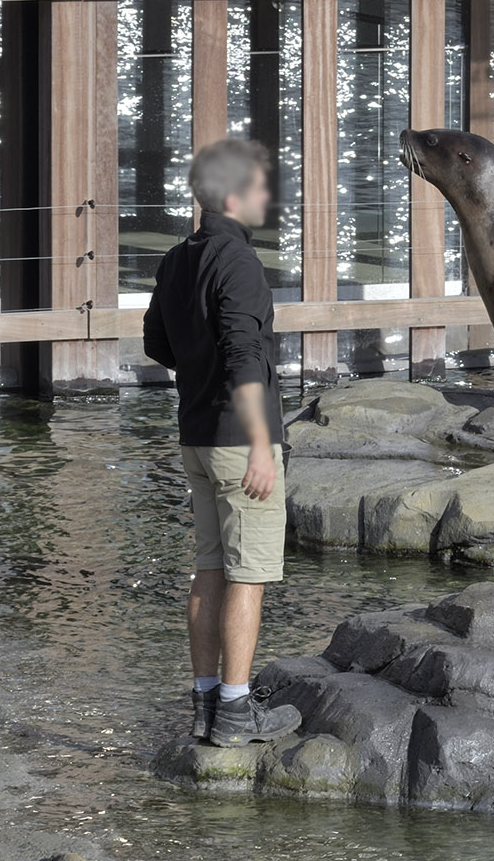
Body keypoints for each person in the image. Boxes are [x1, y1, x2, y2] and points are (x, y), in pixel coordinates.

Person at [142, 139, 301, 747]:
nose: (266, 197)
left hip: (196, 437)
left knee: (209, 567)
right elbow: (243, 354)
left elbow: (158, 344)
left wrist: (198, 363)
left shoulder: (178, 259)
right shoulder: (238, 263)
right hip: (240, 439)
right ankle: (235, 713)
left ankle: (206, 702)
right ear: (233, 196)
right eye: (260, 187)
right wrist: (262, 443)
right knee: (248, 574)